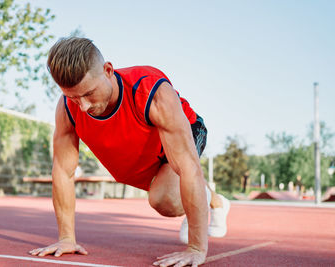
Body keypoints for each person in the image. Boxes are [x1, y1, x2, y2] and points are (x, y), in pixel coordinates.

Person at [29, 37, 230, 266]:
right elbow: (63, 172)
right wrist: (66, 239)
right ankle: (215, 200)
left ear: (108, 70)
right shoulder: (67, 109)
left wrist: (196, 247)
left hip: (184, 133)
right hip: (142, 154)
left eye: (88, 94)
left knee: (166, 200)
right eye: (73, 97)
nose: (83, 106)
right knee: (166, 190)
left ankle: (206, 201)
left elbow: (188, 168)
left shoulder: (150, 91)